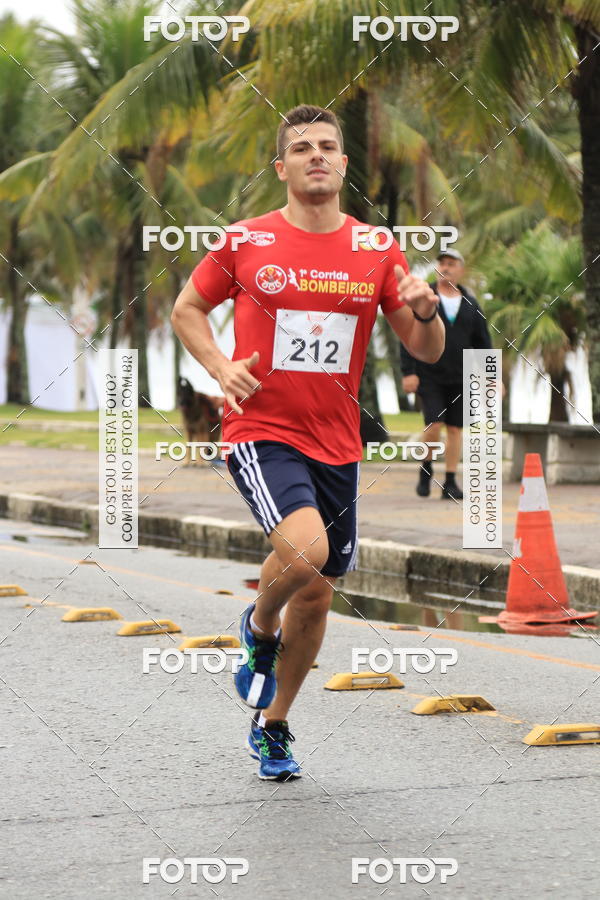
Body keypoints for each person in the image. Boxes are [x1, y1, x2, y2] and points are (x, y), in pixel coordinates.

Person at [171, 104, 444, 781]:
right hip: (262, 428)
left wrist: (427, 312)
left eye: (327, 146)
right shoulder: (246, 241)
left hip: (338, 439)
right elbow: (187, 309)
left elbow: (425, 349)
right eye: (302, 148)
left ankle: (275, 724)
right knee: (307, 548)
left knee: (319, 592)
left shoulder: (375, 249)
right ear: (282, 167)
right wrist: (220, 368)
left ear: (344, 164)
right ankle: (259, 627)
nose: (316, 155)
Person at [400, 249, 492, 500]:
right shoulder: (425, 296)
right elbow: (407, 334)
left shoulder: (472, 305)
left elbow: (483, 344)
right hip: (428, 374)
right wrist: (408, 372)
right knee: (433, 424)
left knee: (454, 430)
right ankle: (426, 467)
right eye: (442, 263)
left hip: (461, 378)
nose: (446, 268)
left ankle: (450, 481)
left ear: (461, 270)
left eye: (452, 264)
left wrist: (491, 378)